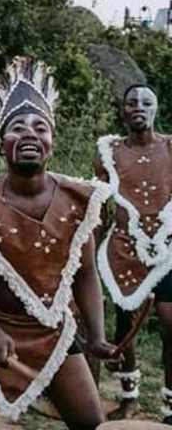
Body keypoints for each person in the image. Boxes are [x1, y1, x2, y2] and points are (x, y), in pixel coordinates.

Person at [0, 57, 116, 429]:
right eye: (17, 127)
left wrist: (96, 337)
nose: (30, 134)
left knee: (92, 424)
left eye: (40, 127)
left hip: (52, 329)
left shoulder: (79, 200)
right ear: (2, 144)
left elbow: (85, 275)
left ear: (52, 142)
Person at [94, 84, 172, 422]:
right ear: (123, 111)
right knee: (126, 329)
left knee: (171, 328)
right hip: (125, 248)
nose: (139, 106)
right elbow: (99, 207)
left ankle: (171, 407)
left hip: (168, 248)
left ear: (156, 108)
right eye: (131, 102)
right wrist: (88, 251)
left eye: (146, 102)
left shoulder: (171, 147)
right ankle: (129, 399)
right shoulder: (108, 152)